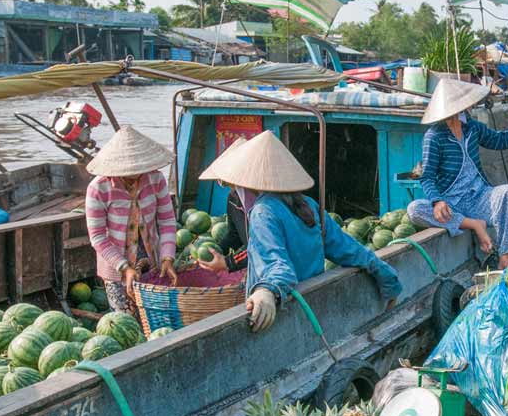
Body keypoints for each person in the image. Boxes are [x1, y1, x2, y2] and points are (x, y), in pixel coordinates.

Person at [196, 131, 401, 331]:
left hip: (285, 316)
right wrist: (387, 278)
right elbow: (349, 249)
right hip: (314, 306)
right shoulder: (309, 204)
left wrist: (266, 291)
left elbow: (278, 266)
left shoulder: (262, 212)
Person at [406, 78, 508, 269]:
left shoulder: (472, 128)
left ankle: (505, 256)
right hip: (453, 204)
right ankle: (475, 225)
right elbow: (427, 177)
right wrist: (437, 201)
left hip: (480, 198)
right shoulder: (434, 136)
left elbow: (503, 140)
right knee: (414, 209)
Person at [85, 126, 179, 315]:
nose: (134, 174)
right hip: (115, 267)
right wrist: (125, 268)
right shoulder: (98, 188)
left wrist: (167, 257)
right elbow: (98, 238)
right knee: (126, 321)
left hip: (151, 262)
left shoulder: (156, 179)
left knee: (154, 318)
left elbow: (167, 222)